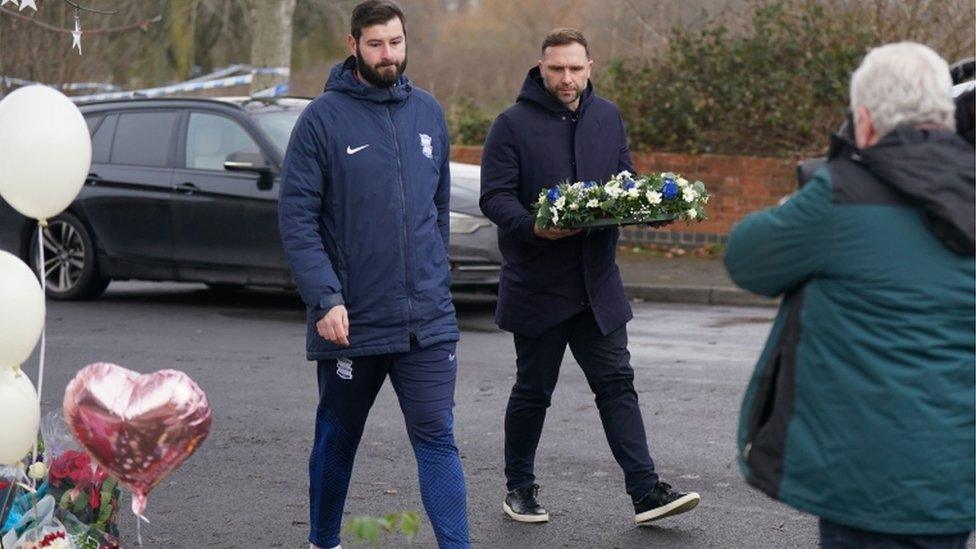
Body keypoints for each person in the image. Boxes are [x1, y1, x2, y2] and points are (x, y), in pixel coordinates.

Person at [725, 41, 974, 548]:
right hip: (954, 478)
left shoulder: (839, 194)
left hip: (861, 480)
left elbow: (746, 258)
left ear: (864, 120)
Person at [479, 27, 700, 526]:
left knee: (617, 384)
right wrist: (532, 226)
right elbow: (494, 196)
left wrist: (652, 208)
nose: (566, 78)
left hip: (597, 285)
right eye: (556, 69)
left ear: (590, 67)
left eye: (575, 68)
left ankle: (646, 493)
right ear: (541, 68)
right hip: (538, 285)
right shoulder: (510, 124)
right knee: (534, 389)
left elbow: (623, 181)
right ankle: (519, 487)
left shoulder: (608, 116)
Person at [277, 2, 469, 547]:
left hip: (427, 321)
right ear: (354, 44)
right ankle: (322, 539)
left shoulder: (428, 112)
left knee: (437, 437)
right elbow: (297, 218)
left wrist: (437, 282)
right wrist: (326, 298)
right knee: (338, 437)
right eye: (377, 44)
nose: (389, 54)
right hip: (352, 320)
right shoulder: (322, 119)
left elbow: (434, 211)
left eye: (397, 43)